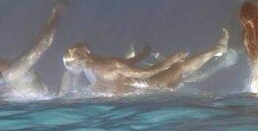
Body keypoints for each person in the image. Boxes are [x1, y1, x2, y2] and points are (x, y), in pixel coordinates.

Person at [62, 28, 229, 95]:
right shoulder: (110, 63)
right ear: (85, 52)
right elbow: (146, 73)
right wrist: (172, 58)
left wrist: (141, 55)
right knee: (181, 66)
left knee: (183, 73)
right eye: (80, 47)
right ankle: (218, 49)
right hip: (149, 86)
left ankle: (217, 55)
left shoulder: (92, 69)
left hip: (129, 93)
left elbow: (121, 70)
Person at [0, 0, 68, 102]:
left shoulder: (8, 76)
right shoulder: (14, 72)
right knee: (76, 55)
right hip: (51, 103)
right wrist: (57, 13)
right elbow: (43, 43)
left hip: (46, 103)